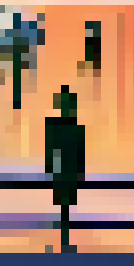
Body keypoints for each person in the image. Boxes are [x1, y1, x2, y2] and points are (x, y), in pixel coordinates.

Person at [44, 86, 86, 252]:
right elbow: (50, 148)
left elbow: (80, 151)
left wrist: (79, 171)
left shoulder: (74, 127)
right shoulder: (56, 126)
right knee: (63, 205)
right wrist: (50, 168)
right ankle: (63, 238)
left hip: (67, 168)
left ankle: (64, 237)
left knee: (65, 205)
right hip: (62, 168)